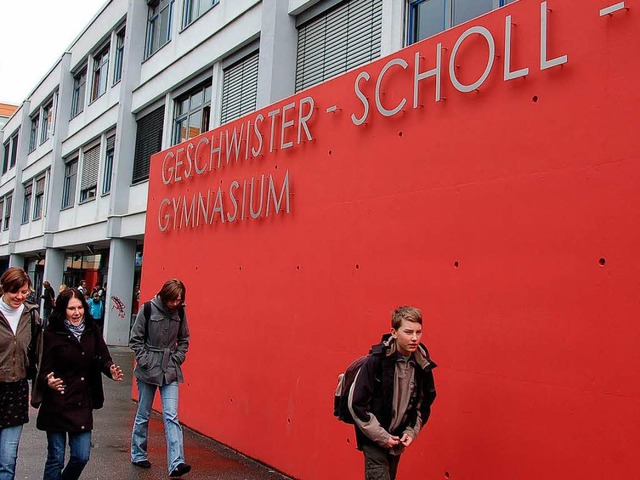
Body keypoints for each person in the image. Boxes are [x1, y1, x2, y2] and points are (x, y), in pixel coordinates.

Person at [34, 288, 123, 480]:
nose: (76, 313)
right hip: (57, 402)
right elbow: (43, 369)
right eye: (71, 308)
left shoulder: (92, 331)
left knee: (81, 456)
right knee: (56, 458)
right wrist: (48, 381)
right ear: (62, 310)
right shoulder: (52, 333)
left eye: (80, 307)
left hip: (82, 401)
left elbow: (103, 358)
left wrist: (110, 370)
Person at [348, 306, 437, 480]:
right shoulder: (376, 361)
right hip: (373, 438)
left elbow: (423, 404)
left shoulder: (422, 365)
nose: (414, 338)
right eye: (408, 332)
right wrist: (382, 436)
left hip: (397, 439)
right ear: (394, 332)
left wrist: (411, 431)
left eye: (418, 332)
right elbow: (356, 403)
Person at [129, 279, 191, 477]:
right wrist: (146, 360)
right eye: (173, 300)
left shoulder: (180, 312)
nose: (175, 303)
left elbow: (184, 339)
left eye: (179, 299)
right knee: (143, 413)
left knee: (171, 415)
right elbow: (135, 339)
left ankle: (176, 462)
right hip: (148, 368)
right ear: (165, 296)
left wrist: (178, 357)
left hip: (170, 369)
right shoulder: (147, 309)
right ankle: (138, 454)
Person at [0, 267, 41, 480]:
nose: (19, 297)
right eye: (14, 291)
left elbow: (39, 352)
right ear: (4, 289)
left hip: (16, 391)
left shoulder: (32, 315)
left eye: (24, 292)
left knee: (7, 460)